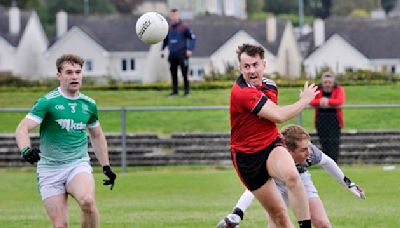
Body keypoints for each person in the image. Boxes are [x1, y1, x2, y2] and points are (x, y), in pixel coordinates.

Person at [15, 54, 117, 228]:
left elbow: (97, 135)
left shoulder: (89, 104)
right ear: (59, 76)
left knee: (88, 202)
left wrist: (106, 166)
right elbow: (22, 128)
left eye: (78, 72)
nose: (75, 76)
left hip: (77, 164)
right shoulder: (47, 102)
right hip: (50, 170)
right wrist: (26, 150)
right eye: (69, 72)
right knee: (60, 225)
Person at [230, 43, 319, 228]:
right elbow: (279, 116)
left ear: (264, 64)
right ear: (240, 68)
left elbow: (271, 118)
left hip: (271, 145)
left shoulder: (270, 86)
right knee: (279, 214)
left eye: (255, 65)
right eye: (246, 66)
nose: (251, 70)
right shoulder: (242, 93)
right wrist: (304, 100)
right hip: (248, 158)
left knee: (292, 177)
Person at [217, 124, 366, 228]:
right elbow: (253, 187)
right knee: (276, 224)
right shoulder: (271, 157)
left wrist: (349, 184)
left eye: (308, 147)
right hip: (276, 184)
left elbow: (327, 162)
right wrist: (237, 213)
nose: (309, 152)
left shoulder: (309, 152)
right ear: (287, 151)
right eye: (303, 150)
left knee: (323, 224)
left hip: (301, 180)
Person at [310, 72, 346, 162]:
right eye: (325, 82)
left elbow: (339, 101)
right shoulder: (318, 89)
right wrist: (320, 101)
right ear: (322, 82)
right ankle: (326, 162)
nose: (327, 84)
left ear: (333, 82)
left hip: (334, 119)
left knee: (334, 141)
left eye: (329, 82)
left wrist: (328, 101)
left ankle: (334, 162)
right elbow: (311, 101)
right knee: (324, 141)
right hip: (321, 118)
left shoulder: (338, 89)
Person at [161, 8, 196, 96]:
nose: (173, 17)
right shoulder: (168, 28)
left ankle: (186, 91)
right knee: (173, 73)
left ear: (178, 16)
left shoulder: (184, 27)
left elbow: (192, 38)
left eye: (175, 15)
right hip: (172, 54)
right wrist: (162, 50)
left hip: (182, 54)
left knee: (184, 73)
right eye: (172, 15)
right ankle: (175, 92)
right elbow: (165, 41)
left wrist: (190, 49)